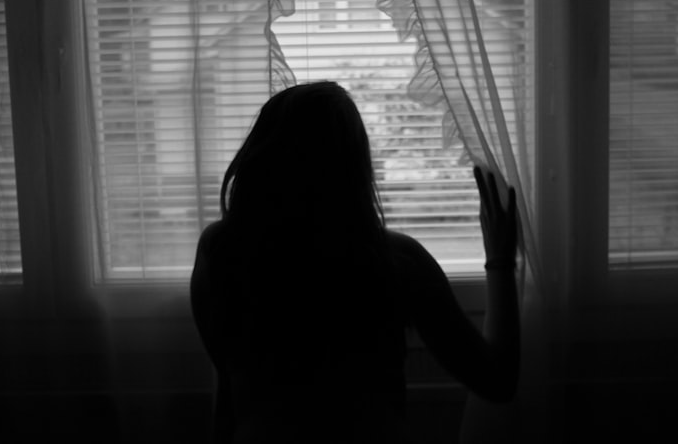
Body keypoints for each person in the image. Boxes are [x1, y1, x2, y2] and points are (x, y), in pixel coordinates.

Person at [191, 81, 519, 443]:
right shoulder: (395, 261)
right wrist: (500, 262)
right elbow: (498, 381)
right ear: (353, 168)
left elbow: (228, 393)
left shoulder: (221, 253)